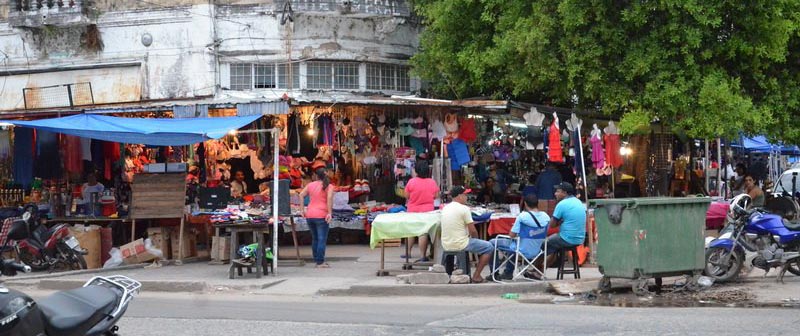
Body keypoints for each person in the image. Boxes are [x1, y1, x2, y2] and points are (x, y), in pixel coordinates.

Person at [489, 194, 550, 280]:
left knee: (492, 242)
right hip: (537, 250)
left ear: (525, 204)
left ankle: (494, 273)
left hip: (521, 249)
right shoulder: (546, 216)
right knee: (516, 243)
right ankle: (508, 272)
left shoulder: (523, 216)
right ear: (537, 203)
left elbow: (511, 235)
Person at [441, 186, 494, 283]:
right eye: (465, 195)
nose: (467, 197)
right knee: (489, 247)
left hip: (445, 244)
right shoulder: (464, 209)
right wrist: (476, 240)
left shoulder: (445, 208)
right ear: (460, 196)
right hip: (460, 243)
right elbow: (473, 231)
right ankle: (476, 276)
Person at [541, 182, 586, 269]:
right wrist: (560, 221)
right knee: (553, 245)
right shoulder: (578, 202)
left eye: (558, 191)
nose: (555, 194)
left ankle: (535, 268)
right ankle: (542, 269)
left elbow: (552, 224)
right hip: (579, 238)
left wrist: (559, 222)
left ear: (564, 193)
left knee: (543, 244)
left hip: (567, 238)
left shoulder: (562, 204)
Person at [404, 162, 440, 262]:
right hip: (427, 211)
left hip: (412, 210)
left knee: (410, 231)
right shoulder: (432, 182)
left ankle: (408, 253)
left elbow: (406, 196)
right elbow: (436, 196)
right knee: (423, 233)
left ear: (417, 171)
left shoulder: (411, 182)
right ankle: (422, 255)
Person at [299, 168, 334, 268]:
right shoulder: (329, 186)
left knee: (315, 238)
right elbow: (329, 198)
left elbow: (301, 195)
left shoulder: (310, 185)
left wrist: (302, 210)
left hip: (310, 214)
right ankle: (320, 262)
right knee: (322, 239)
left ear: (316, 176)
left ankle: (317, 259)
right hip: (321, 215)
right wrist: (329, 213)